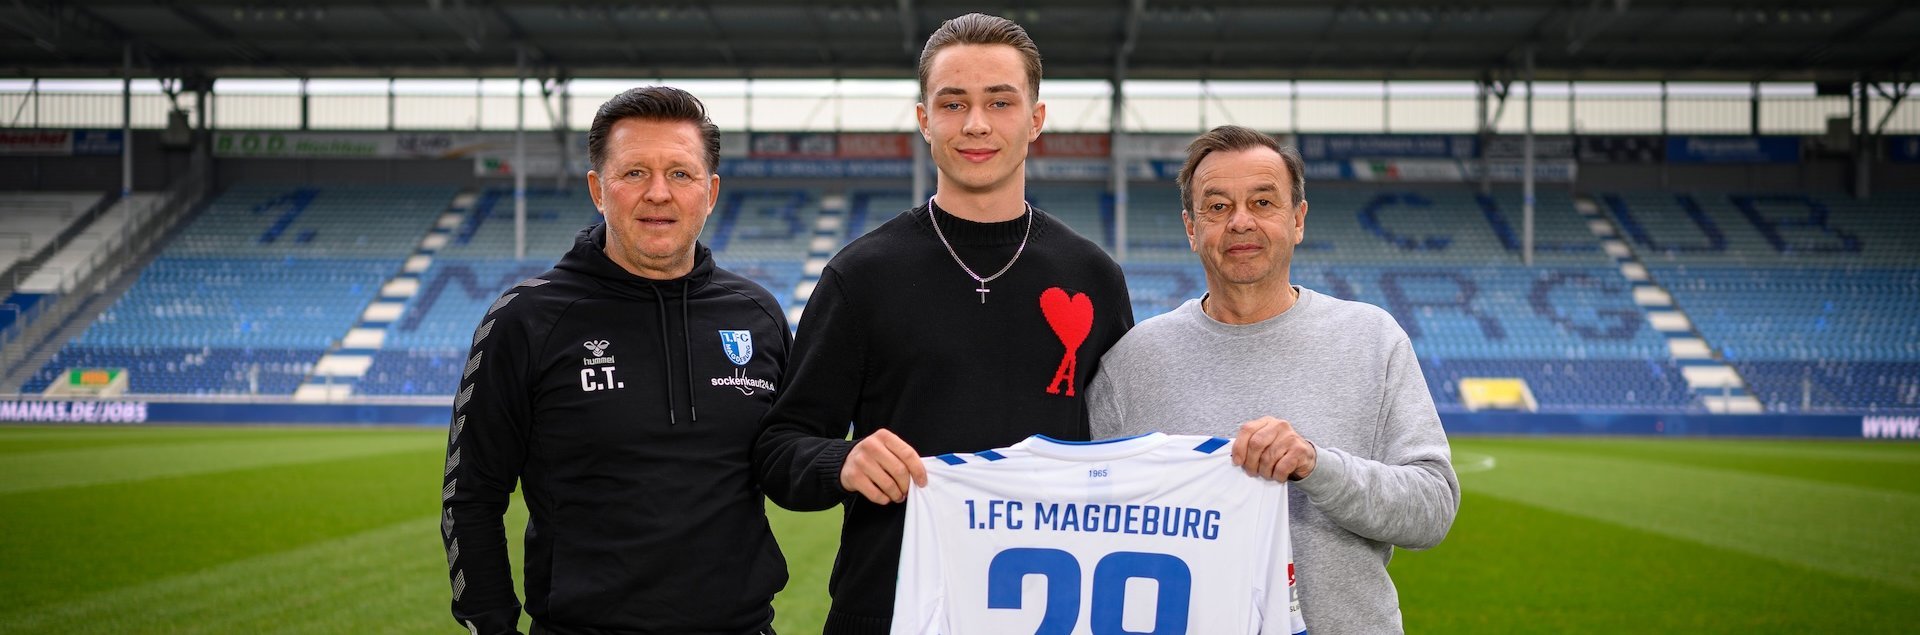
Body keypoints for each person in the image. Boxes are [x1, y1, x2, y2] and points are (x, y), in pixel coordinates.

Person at [752, 13, 1134, 635]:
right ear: (925, 119)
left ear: (1035, 119)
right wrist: (843, 463)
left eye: (999, 102)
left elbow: (1128, 450)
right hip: (891, 606)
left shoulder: (1093, 276)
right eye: (953, 103)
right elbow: (779, 449)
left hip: (1052, 612)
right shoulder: (861, 275)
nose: (976, 124)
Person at [440, 86, 789, 635]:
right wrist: (492, 625)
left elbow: (788, 459)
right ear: (598, 190)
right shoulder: (526, 317)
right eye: (633, 174)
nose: (658, 194)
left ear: (711, 191)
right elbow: (471, 496)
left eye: (680, 173)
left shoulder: (757, 315)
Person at [1086, 125, 1460, 634]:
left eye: (1263, 202)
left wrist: (1315, 465)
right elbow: (1091, 525)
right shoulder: (1132, 363)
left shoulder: (1372, 338)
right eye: (1217, 207)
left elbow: (1432, 509)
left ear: (1298, 219)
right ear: (1191, 228)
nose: (1241, 222)